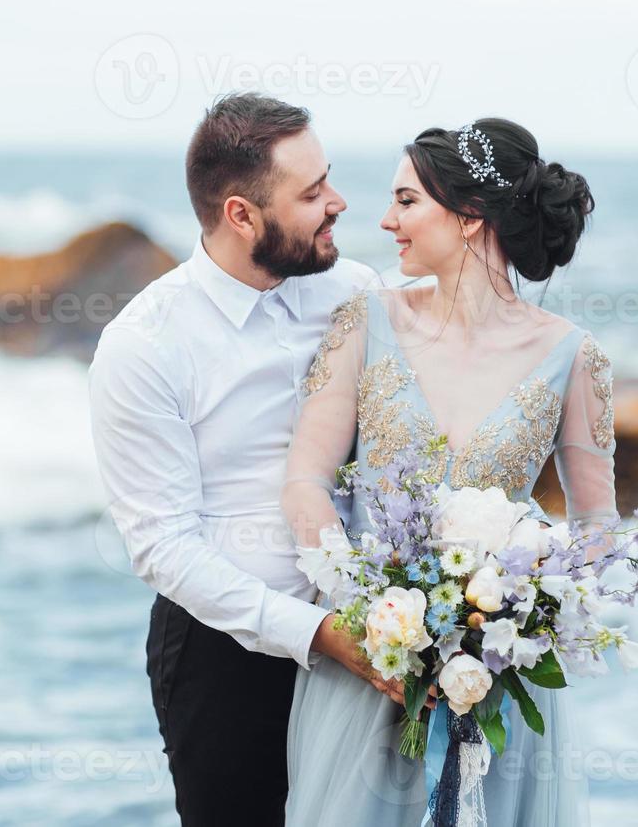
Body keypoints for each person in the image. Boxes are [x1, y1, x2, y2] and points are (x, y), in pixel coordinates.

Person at [280, 119, 619, 826]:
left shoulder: (572, 355)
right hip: (369, 672)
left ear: (469, 217)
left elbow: (596, 524)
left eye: (407, 201)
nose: (385, 220)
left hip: (497, 684)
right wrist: (368, 613)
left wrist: (526, 616)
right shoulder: (362, 323)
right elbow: (306, 480)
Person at [88, 93, 389, 825]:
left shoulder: (357, 293)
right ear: (241, 215)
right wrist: (315, 635)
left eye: (330, 181)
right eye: (312, 194)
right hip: (224, 655)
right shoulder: (145, 345)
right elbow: (162, 545)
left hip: (376, 634)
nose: (339, 204)